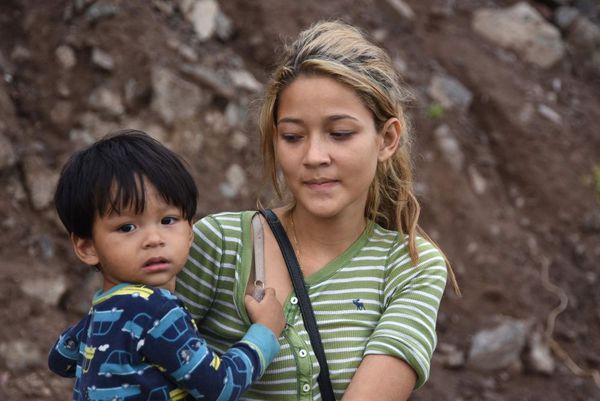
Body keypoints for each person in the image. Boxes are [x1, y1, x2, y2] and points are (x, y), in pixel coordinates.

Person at [176, 21, 458, 401]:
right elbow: (132, 367)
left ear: (387, 139)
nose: (314, 157)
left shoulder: (409, 266)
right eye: (293, 137)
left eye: (340, 134)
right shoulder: (219, 245)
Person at [48, 130, 286, 401]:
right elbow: (218, 387)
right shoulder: (156, 310)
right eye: (127, 227)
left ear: (190, 231)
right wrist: (265, 332)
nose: (154, 239)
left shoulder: (103, 310)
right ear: (87, 247)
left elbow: (59, 359)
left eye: (168, 220)